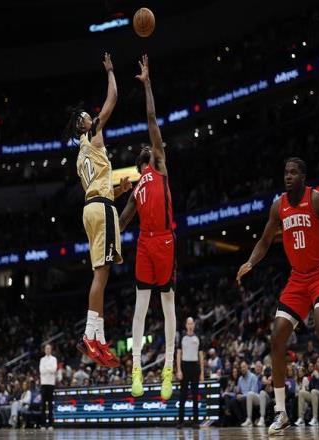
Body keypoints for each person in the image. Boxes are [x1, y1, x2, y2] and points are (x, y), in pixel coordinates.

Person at [237, 157, 319, 435]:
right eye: (285, 172)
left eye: (293, 172)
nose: (287, 176)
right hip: (297, 279)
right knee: (277, 336)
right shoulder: (279, 206)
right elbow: (265, 240)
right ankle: (280, 412)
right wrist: (251, 262)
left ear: (303, 176)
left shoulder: (317, 200)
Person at [63, 53, 132, 368]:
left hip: (93, 208)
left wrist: (119, 191)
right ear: (84, 125)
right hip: (101, 211)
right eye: (88, 116)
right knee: (101, 275)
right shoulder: (92, 136)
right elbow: (113, 98)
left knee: (100, 274)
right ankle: (90, 336)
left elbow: (97, 190)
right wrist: (111, 71)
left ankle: (100, 340)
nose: (93, 116)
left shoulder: (81, 156)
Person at [119, 55, 177, 400]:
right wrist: (105, 227)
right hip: (144, 242)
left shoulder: (162, 168)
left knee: (168, 303)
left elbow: (152, 119)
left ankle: (168, 367)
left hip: (165, 240)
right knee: (141, 306)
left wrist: (148, 84)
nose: (154, 149)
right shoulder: (137, 187)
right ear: (143, 161)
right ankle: (137, 368)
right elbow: (123, 221)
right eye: (149, 151)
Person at [176, 317, 204, 429]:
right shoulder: (182, 337)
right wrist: (179, 370)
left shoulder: (198, 338)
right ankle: (180, 421)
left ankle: (195, 422)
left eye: (192, 323)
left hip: (195, 367)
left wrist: (202, 372)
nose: (190, 325)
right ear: (186, 325)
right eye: (188, 323)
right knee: (183, 395)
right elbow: (178, 354)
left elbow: (201, 356)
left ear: (194, 325)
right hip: (184, 366)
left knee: (195, 395)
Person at [227, 361, 259, 426]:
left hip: (252, 397)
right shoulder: (240, 379)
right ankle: (241, 421)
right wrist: (234, 392)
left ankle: (248, 420)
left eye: (244, 367)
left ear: (247, 367)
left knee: (244, 399)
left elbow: (254, 391)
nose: (242, 369)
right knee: (233, 401)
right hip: (243, 397)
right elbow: (238, 391)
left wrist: (242, 395)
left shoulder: (253, 377)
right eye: (241, 367)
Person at [39, 344, 57, 430]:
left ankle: (50, 424)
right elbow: (41, 371)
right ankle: (43, 424)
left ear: (51, 350)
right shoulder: (42, 359)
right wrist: (49, 369)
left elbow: (54, 370)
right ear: (45, 350)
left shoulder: (54, 359)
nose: (48, 350)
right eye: (46, 349)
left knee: (50, 405)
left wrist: (46, 368)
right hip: (44, 383)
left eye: (49, 348)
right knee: (43, 405)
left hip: (51, 384)